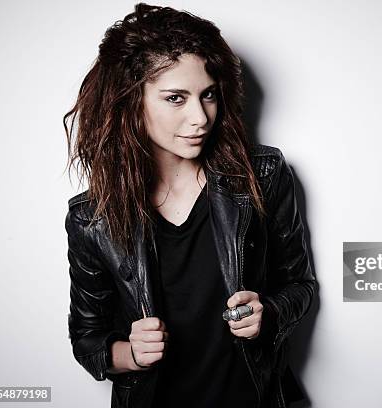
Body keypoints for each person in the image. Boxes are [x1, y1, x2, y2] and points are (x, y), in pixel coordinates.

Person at [63, 3, 317, 408]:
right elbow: (87, 340)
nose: (200, 117)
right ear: (131, 102)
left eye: (208, 95)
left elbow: (300, 286)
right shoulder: (93, 218)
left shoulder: (261, 177)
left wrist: (266, 313)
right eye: (175, 98)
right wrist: (130, 354)